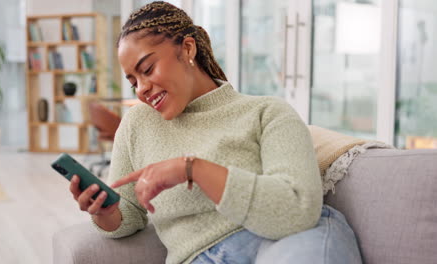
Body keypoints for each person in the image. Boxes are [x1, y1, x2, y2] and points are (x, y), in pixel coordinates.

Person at [69, 1, 362, 264]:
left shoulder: (267, 113)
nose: (141, 88)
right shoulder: (137, 125)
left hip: (285, 243)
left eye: (147, 69)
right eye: (133, 80)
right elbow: (129, 216)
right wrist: (103, 212)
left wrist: (190, 169)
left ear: (187, 49)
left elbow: (297, 211)